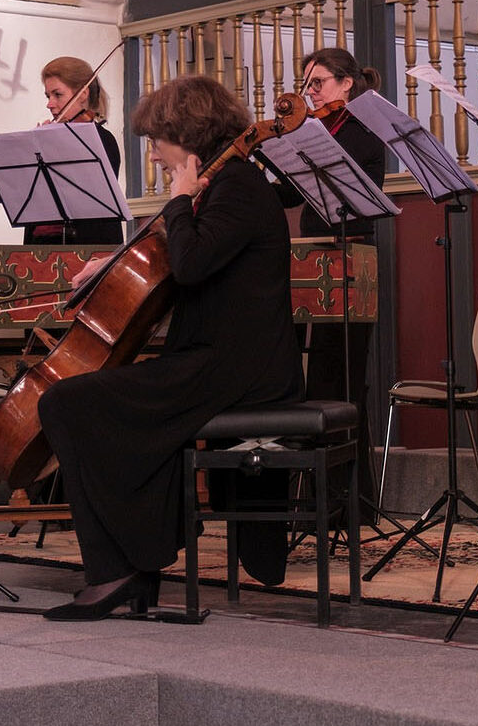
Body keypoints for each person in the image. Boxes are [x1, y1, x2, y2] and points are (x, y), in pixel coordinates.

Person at [35, 74, 303, 620]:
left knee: (66, 402)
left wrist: (179, 201)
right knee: (83, 404)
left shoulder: (239, 189)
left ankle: (122, 568)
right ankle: (132, 561)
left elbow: (192, 262)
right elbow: (179, 263)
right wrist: (113, 262)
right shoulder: (221, 188)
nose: (154, 153)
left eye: (157, 141)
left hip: (236, 369)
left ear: (187, 135)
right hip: (209, 358)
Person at [278, 48, 385, 501]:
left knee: (343, 377)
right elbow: (286, 194)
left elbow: (359, 191)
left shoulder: (363, 130)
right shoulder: (310, 129)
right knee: (314, 377)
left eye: (317, 82)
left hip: (350, 258)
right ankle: (314, 498)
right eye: (306, 84)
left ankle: (350, 501)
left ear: (346, 84)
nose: (309, 92)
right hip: (313, 257)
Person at [0, 55, 125, 245]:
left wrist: (52, 147)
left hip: (87, 247)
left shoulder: (102, 139)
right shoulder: (43, 139)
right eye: (48, 96)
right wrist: (26, 151)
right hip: (40, 247)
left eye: (57, 95)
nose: (50, 103)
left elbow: (83, 196)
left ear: (83, 94)